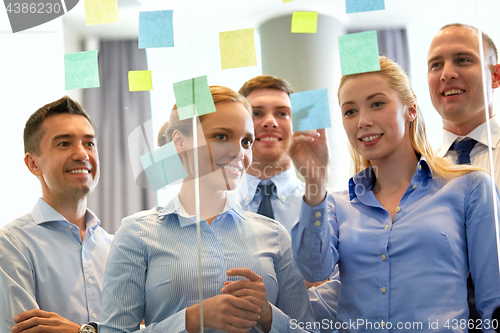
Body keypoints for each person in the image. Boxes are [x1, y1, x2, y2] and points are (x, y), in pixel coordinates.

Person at [291, 56, 500, 332]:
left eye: (377, 104)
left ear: (410, 109)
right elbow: (313, 269)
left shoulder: (470, 186)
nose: (363, 121)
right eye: (350, 111)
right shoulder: (334, 203)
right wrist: (314, 183)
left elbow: (493, 303)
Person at [100, 86, 318, 333]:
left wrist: (268, 315)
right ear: (180, 142)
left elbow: (308, 330)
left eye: (246, 141)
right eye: (221, 136)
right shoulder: (136, 234)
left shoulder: (275, 236)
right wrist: (190, 320)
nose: (239, 153)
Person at [234, 75, 339, 332]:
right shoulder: (215, 206)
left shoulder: (329, 205)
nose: (270, 122)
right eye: (256, 113)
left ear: (298, 125)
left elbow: (336, 299)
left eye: (282, 113)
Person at [0, 96, 112, 333]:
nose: (82, 154)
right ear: (33, 164)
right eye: (64, 144)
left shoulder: (116, 246)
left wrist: (81, 331)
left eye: (89, 143)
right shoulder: (11, 244)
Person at [427, 23, 500, 327]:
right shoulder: (414, 168)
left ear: (495, 75)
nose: (446, 73)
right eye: (436, 65)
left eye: (463, 60)